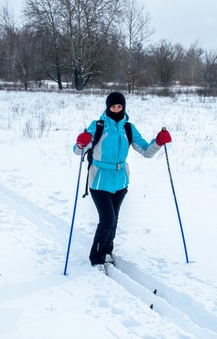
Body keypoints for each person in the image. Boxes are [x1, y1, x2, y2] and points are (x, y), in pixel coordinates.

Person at [73, 92, 172, 272]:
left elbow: (146, 151)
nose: (116, 109)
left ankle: (107, 251)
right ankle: (96, 258)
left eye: (119, 106)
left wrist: (158, 141)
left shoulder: (128, 128)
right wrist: (81, 143)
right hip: (99, 180)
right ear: (107, 107)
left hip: (120, 181)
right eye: (113, 106)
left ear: (123, 107)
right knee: (107, 219)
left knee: (114, 219)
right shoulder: (98, 126)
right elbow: (78, 150)